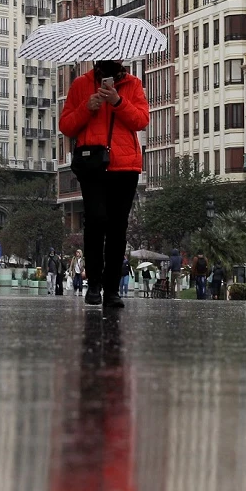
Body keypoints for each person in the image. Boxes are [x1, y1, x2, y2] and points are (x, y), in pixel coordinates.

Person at [60, 59, 149, 307]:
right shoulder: (81, 84)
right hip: (93, 164)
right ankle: (95, 285)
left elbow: (141, 120)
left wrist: (117, 101)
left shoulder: (133, 84)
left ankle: (112, 290)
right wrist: (87, 107)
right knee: (96, 221)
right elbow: (66, 125)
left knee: (117, 228)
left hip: (125, 165)